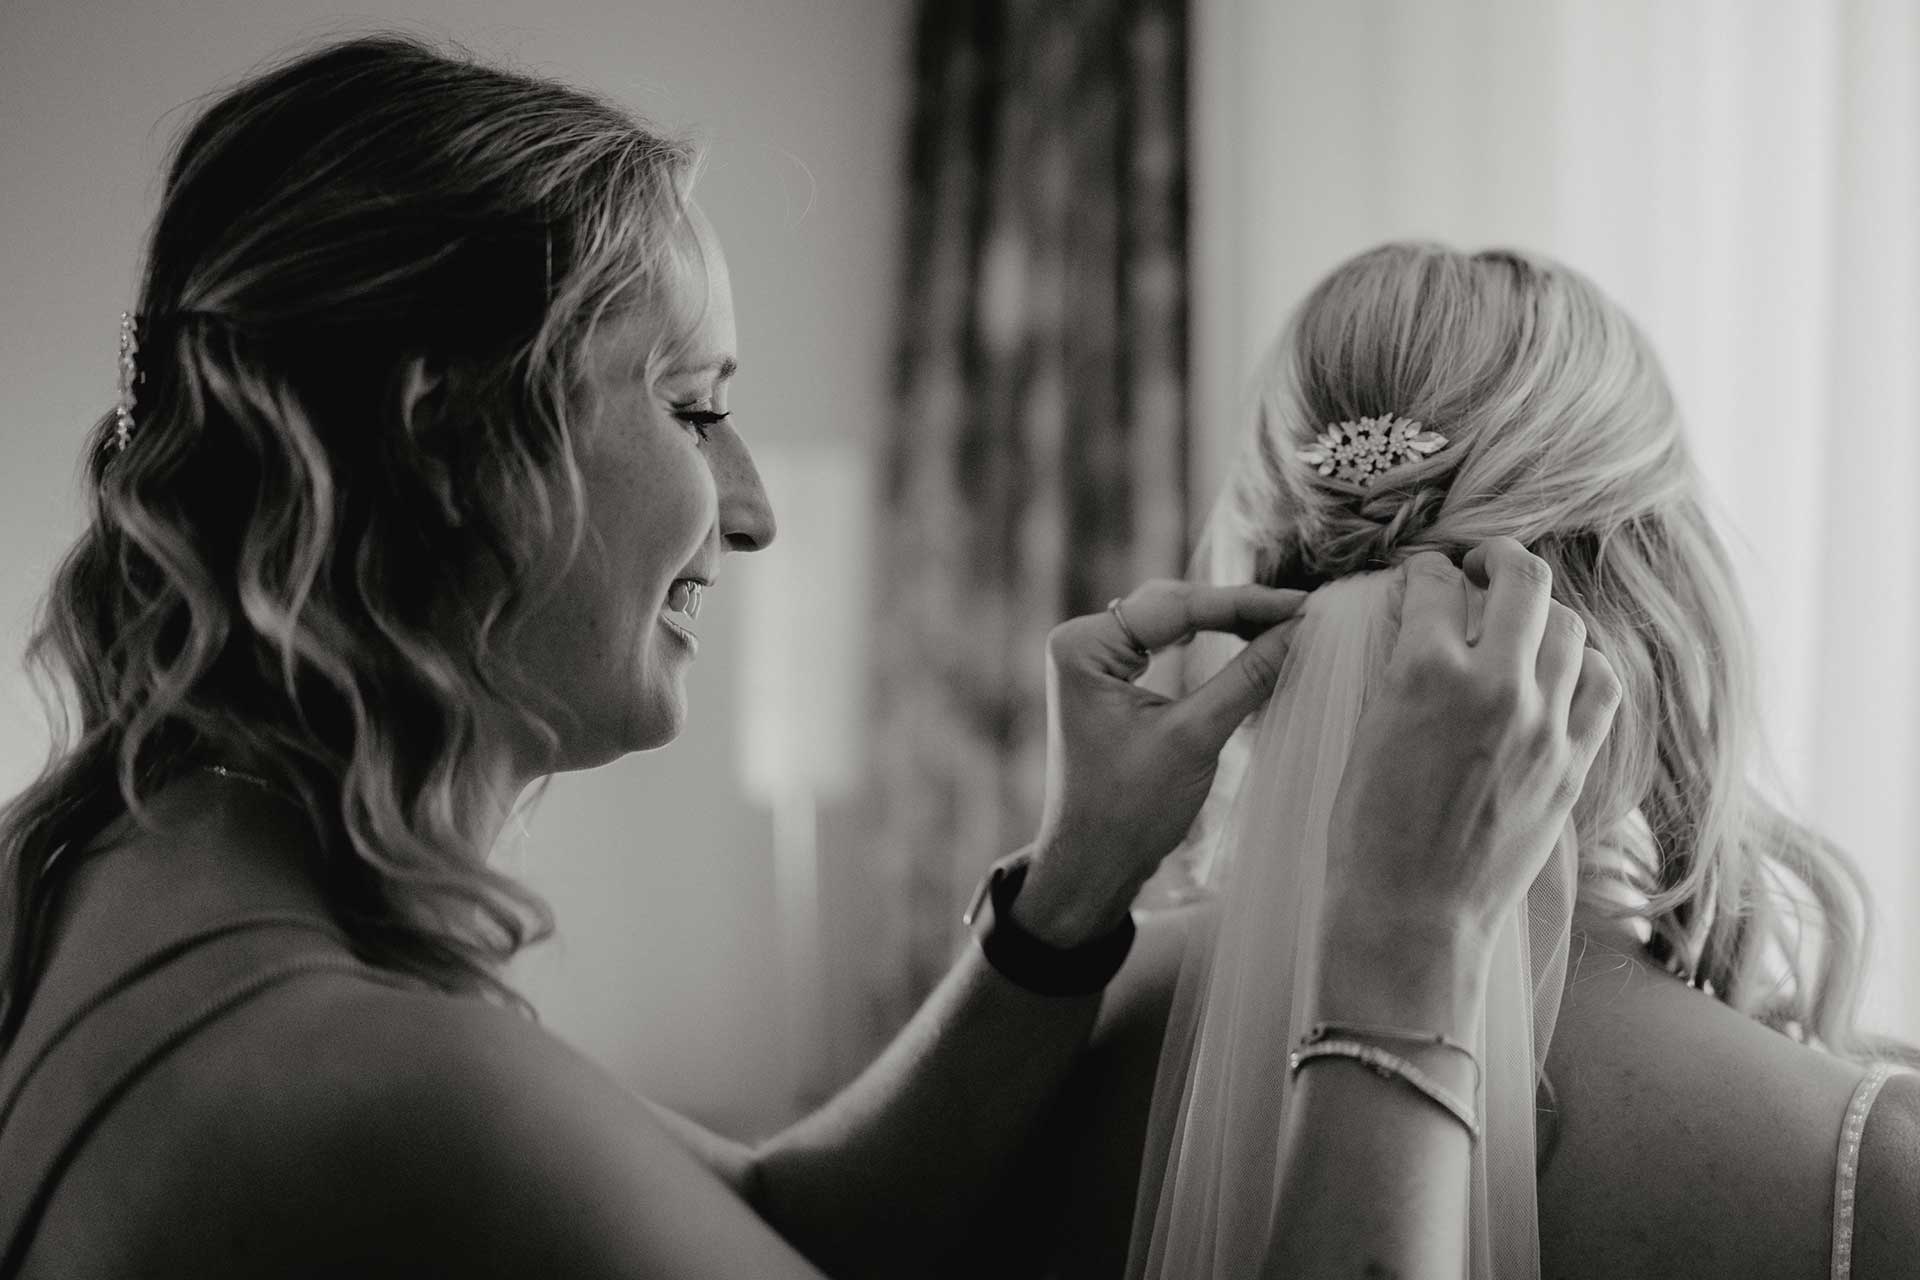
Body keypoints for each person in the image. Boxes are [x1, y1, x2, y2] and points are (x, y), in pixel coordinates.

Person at [0, 37, 1614, 1278]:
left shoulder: (129, 877)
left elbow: (781, 1218)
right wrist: (1405, 955)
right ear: (453, 448)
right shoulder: (379, 1085)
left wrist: (1070, 890)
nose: (753, 511)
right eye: (696, 406)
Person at [1009, 243, 1920, 1280]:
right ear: (1656, 599)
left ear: (1257, 572)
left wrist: (1055, 891)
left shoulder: (1051, 1043)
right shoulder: (1873, 1168)